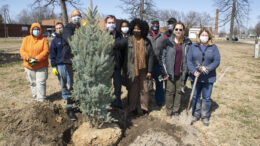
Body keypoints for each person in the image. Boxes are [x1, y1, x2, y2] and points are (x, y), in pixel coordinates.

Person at [187, 28, 221, 126]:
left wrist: (207, 68)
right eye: (203, 35)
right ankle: (196, 114)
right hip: (196, 77)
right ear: (199, 36)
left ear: (209, 36)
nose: (204, 37)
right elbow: (189, 60)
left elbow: (216, 61)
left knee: (206, 97)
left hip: (208, 77)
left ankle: (205, 116)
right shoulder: (193, 46)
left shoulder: (213, 47)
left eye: (206, 35)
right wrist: (193, 71)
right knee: (195, 96)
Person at [160, 22, 192, 120]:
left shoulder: (187, 43)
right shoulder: (167, 42)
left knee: (178, 92)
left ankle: (176, 111)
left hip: (181, 72)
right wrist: (165, 72)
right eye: (176, 29)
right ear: (173, 30)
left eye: (180, 29)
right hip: (170, 73)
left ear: (183, 31)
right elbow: (162, 57)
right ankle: (169, 111)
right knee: (169, 92)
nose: (178, 31)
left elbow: (190, 57)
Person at [125, 18, 154, 115]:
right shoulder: (128, 40)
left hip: (143, 70)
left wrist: (149, 70)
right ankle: (132, 108)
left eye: (139, 29)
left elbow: (150, 56)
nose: (136, 30)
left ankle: (144, 108)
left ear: (143, 30)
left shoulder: (146, 42)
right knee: (133, 90)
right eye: (135, 28)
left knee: (144, 89)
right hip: (132, 69)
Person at [20, 22, 49, 102]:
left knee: (40, 83)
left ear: (40, 30)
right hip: (29, 66)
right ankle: (36, 98)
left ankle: (41, 100)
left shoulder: (44, 40)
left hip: (41, 66)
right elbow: (22, 51)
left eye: (37, 29)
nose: (36, 31)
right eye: (34, 29)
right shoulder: (26, 39)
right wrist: (28, 59)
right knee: (33, 83)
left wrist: (36, 59)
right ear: (31, 30)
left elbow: (46, 51)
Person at [62, 9, 82, 120]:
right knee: (74, 84)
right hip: (70, 61)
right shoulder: (67, 29)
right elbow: (71, 40)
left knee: (79, 84)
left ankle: (76, 106)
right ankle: (69, 109)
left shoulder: (80, 28)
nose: (76, 17)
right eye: (74, 15)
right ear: (71, 17)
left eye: (78, 15)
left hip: (80, 60)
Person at [105, 15, 124, 109]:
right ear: (106, 24)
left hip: (117, 65)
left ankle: (118, 102)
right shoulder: (102, 36)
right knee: (107, 86)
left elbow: (122, 45)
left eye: (113, 23)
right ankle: (107, 102)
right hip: (106, 66)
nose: (111, 24)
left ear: (115, 24)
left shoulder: (120, 35)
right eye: (109, 23)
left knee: (117, 85)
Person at [50, 22, 71, 101]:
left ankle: (73, 96)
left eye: (60, 28)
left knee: (71, 81)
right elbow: (52, 55)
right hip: (60, 65)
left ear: (63, 28)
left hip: (69, 64)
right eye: (57, 28)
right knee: (62, 82)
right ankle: (65, 96)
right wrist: (54, 66)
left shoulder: (68, 38)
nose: (59, 29)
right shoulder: (54, 41)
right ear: (55, 30)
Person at [147, 19, 166, 106]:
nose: (155, 26)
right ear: (151, 25)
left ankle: (159, 101)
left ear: (159, 26)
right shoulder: (147, 35)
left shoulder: (163, 36)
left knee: (159, 83)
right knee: (147, 84)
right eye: (153, 24)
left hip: (159, 64)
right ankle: (147, 100)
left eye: (157, 24)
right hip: (148, 65)